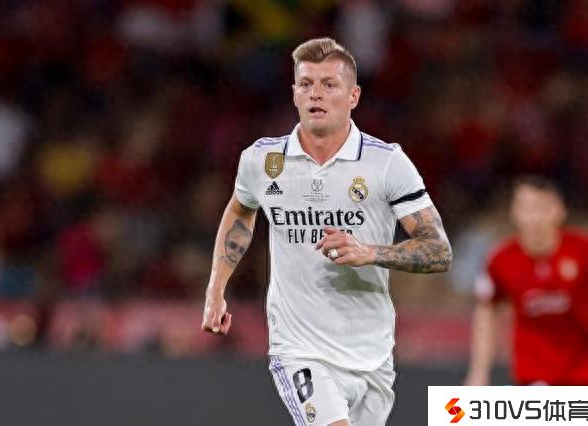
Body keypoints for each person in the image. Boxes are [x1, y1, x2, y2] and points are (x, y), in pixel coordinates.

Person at [201, 37, 452, 426]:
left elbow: (439, 250)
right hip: (299, 349)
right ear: (294, 94)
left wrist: (370, 252)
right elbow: (241, 209)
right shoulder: (262, 160)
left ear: (354, 96)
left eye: (329, 84)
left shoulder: (386, 163)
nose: (315, 93)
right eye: (306, 84)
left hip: (371, 353)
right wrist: (216, 289)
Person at [465, 176, 588, 386]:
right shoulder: (501, 260)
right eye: (527, 208)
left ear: (560, 210)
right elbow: (487, 310)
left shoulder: (582, 252)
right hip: (533, 377)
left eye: (543, 208)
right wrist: (478, 373)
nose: (535, 218)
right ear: (514, 212)